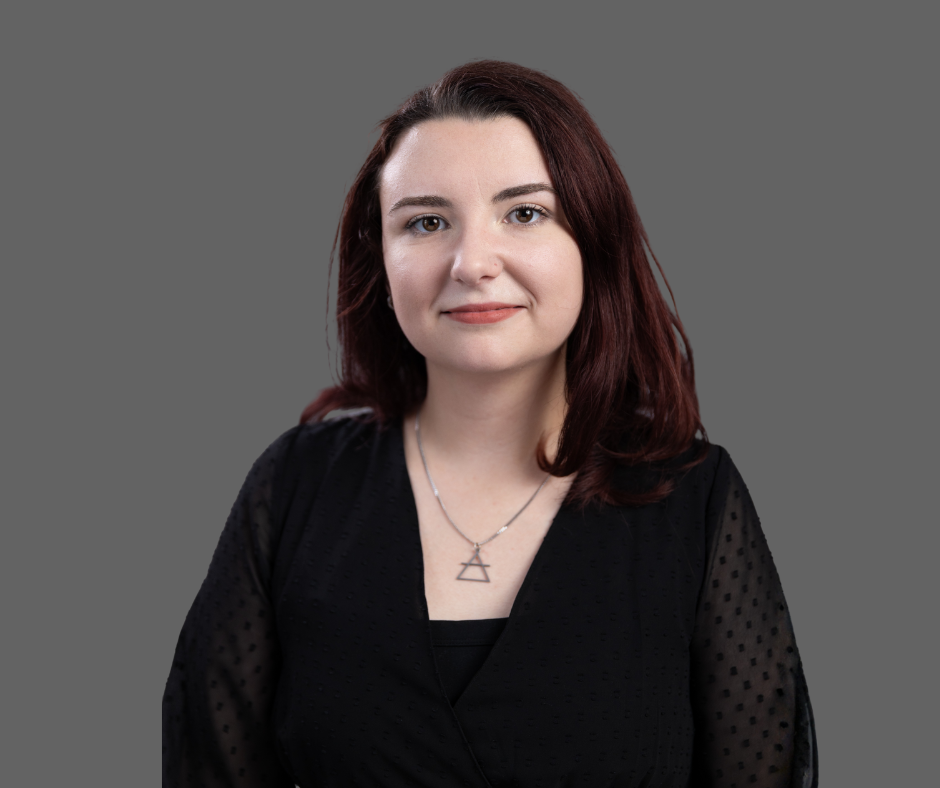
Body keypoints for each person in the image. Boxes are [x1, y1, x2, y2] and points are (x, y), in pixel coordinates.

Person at [162, 60, 817, 787]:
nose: (473, 262)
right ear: (379, 260)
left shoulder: (696, 502)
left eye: (525, 213)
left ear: (592, 246)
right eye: (427, 222)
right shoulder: (293, 489)